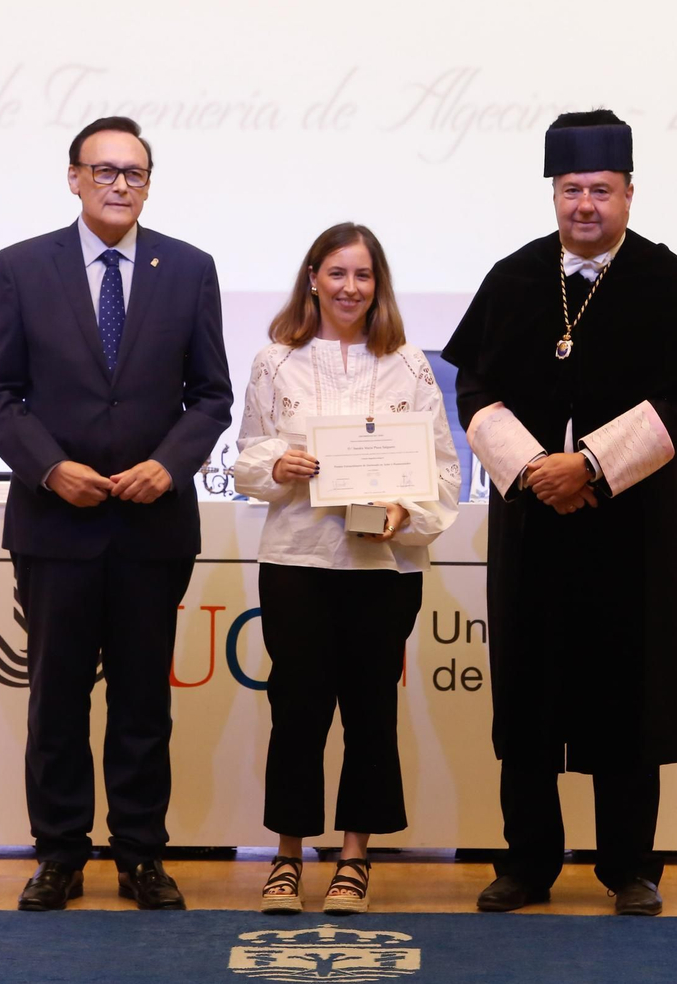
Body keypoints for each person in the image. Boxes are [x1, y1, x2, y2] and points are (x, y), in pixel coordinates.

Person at [441, 109, 677, 916]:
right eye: (572, 190)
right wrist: (535, 468)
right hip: (534, 522)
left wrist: (594, 468)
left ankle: (630, 867)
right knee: (529, 689)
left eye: (601, 190)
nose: (585, 206)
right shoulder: (513, 279)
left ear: (629, 193)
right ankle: (526, 863)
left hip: (630, 530)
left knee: (628, 689)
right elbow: (472, 388)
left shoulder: (670, 284)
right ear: (554, 193)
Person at [0, 116, 233, 911]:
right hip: (56, 525)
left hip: (153, 525)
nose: (121, 185)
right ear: (75, 177)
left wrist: (169, 463)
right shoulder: (22, 267)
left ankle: (141, 855)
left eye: (136, 173)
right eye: (106, 171)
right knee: (55, 698)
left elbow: (212, 395)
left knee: (143, 702)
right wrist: (51, 469)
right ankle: (58, 853)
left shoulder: (188, 269)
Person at [233, 222, 461, 914]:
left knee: (371, 712)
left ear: (378, 284)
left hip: (383, 568)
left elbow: (444, 476)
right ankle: (287, 854)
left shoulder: (412, 367)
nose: (350, 288)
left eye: (363, 276)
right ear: (312, 278)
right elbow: (243, 460)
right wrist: (276, 465)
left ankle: (355, 858)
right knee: (296, 712)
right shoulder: (275, 362)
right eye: (337, 273)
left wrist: (407, 511)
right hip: (297, 560)